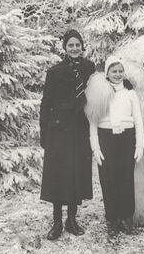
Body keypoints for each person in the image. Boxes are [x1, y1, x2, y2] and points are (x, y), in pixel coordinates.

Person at [39, 29, 96, 240]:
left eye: (77, 45)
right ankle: (56, 222)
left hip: (80, 129)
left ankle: (72, 219)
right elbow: (46, 102)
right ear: (64, 48)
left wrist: (124, 85)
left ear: (82, 47)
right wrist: (44, 131)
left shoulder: (90, 68)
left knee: (75, 173)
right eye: (70, 45)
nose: (74, 48)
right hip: (58, 129)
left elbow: (103, 86)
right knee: (57, 174)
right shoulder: (54, 72)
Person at [84, 56, 144, 236]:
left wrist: (139, 145)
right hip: (106, 138)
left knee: (126, 178)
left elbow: (138, 120)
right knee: (108, 179)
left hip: (126, 138)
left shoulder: (130, 93)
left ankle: (126, 217)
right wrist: (96, 148)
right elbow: (93, 122)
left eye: (120, 71)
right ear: (107, 73)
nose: (117, 75)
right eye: (113, 71)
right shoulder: (99, 93)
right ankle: (112, 219)